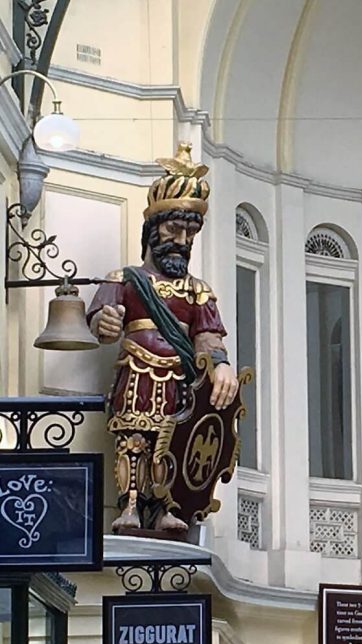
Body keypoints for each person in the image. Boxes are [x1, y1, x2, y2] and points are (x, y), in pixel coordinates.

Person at [87, 142, 239, 533]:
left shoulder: (197, 289)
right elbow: (101, 322)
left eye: (190, 232)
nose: (183, 241)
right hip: (137, 371)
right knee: (134, 439)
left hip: (180, 378)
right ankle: (131, 506)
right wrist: (105, 322)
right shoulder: (123, 279)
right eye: (174, 229)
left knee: (173, 443)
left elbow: (207, 335)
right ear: (153, 230)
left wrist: (221, 365)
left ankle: (168, 506)